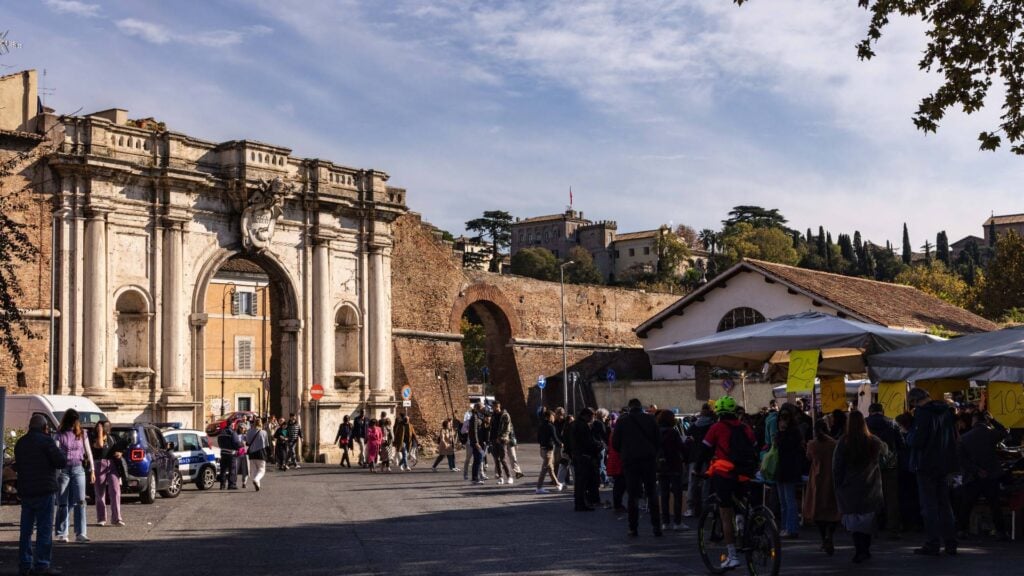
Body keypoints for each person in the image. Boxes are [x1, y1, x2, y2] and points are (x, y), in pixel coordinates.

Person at [702, 396, 757, 569]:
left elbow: (704, 450)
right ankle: (741, 524)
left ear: (718, 412)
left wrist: (699, 470)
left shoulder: (716, 427)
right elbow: (755, 444)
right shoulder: (745, 427)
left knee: (725, 515)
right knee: (741, 503)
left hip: (724, 474)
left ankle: (732, 556)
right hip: (745, 472)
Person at [907, 387, 960, 556]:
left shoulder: (923, 414)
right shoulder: (945, 412)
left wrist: (908, 435)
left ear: (915, 401)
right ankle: (951, 542)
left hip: (926, 464)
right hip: (943, 464)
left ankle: (933, 542)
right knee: (945, 504)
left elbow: (917, 440)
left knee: (929, 506)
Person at [15, 414, 67, 576]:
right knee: (44, 529)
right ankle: (42, 564)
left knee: (26, 530)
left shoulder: (21, 443)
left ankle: (25, 564)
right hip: (45, 489)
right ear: (45, 428)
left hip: (26, 490)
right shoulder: (47, 441)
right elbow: (61, 461)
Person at [834, 410, 887, 563]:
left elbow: (837, 466)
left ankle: (859, 550)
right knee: (867, 520)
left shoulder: (844, 442)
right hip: (870, 486)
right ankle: (866, 549)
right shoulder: (873, 441)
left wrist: (838, 484)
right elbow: (886, 453)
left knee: (854, 521)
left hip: (850, 487)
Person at [957, 411, 1009, 540]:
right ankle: (1000, 531)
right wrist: (993, 420)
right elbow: (1005, 432)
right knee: (995, 505)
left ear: (974, 420)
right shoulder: (991, 433)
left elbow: (962, 459)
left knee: (967, 504)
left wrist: (976, 470)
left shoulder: (964, 438)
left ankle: (961, 530)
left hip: (973, 476)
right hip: (991, 475)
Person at [614, 398, 663, 537]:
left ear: (629, 407)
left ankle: (633, 527)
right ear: (641, 406)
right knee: (651, 493)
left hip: (630, 461)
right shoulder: (650, 419)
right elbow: (658, 440)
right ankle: (656, 527)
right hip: (648, 460)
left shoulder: (622, 421)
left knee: (633, 495)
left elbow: (615, 443)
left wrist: (625, 451)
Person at [866, 402, 905, 538]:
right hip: (890, 464)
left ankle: (872, 527)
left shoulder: (865, 423)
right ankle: (893, 528)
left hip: (870, 465)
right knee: (891, 497)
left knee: (871, 496)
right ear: (882, 411)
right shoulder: (892, 423)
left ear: (870, 411)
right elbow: (901, 444)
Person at [54, 409, 94, 543]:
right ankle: (62, 533)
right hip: (63, 470)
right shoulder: (59, 434)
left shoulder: (82, 434)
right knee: (62, 503)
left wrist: (92, 469)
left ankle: (81, 533)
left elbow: (88, 452)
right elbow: (56, 452)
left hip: (78, 468)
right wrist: (56, 472)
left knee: (80, 501)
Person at [804, 419, 840, 556]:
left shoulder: (812, 444)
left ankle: (823, 537)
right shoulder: (834, 444)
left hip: (817, 478)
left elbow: (808, 457)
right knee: (833, 509)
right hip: (831, 477)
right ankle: (830, 534)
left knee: (817, 509)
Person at [775, 408, 806, 538]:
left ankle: (791, 528)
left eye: (786, 417)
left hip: (789, 469)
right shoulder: (782, 432)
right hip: (782, 469)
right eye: (781, 417)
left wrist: (782, 432)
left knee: (789, 501)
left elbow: (784, 447)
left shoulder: (793, 433)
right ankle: (785, 527)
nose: (783, 420)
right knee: (783, 501)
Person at [656, 410, 689, 531]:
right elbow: (681, 448)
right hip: (674, 465)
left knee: (664, 494)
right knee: (677, 494)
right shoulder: (673, 432)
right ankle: (677, 522)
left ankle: (665, 522)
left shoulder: (656, 432)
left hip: (661, 466)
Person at [91, 421, 125, 527]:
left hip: (112, 464)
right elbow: (100, 445)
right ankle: (101, 518)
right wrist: (100, 432)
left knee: (115, 491)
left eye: (107, 426)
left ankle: (116, 518)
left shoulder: (112, 438)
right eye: (102, 426)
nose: (105, 428)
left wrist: (120, 453)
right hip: (99, 463)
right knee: (100, 493)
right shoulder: (94, 438)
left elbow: (120, 449)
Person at [570, 408, 602, 511]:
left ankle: (580, 503)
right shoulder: (583, 426)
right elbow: (588, 442)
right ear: (587, 415)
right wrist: (599, 445)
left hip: (577, 455)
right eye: (592, 416)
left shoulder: (575, 424)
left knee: (580, 482)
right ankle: (581, 504)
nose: (593, 418)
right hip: (584, 456)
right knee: (582, 482)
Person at [535, 409, 563, 493]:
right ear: (549, 417)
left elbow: (538, 438)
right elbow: (555, 438)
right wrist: (560, 444)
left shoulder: (541, 425)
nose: (554, 418)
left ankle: (557, 484)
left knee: (550, 468)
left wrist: (542, 443)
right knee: (544, 469)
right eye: (553, 416)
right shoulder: (551, 426)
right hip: (548, 450)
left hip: (542, 449)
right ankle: (539, 487)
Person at [490, 402, 513, 484]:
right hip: (494, 439)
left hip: (502, 440)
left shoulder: (505, 415)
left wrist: (501, 437)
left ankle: (509, 477)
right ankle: (501, 477)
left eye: (494, 407)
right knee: (496, 459)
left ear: (498, 406)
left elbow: (507, 428)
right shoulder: (493, 415)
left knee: (503, 459)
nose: (493, 408)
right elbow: (492, 427)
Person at [246, 419, 270, 491]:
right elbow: (266, 444)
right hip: (261, 452)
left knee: (254, 470)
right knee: (262, 470)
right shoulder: (264, 432)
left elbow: (247, 442)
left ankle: (257, 484)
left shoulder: (249, 432)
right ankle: (256, 480)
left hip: (251, 453)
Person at [217, 421, 242, 490]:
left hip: (223, 453)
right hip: (231, 453)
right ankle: (231, 484)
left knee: (223, 469)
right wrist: (241, 445)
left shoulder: (221, 432)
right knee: (232, 469)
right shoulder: (232, 432)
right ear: (231, 424)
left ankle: (222, 485)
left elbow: (219, 442)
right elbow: (236, 443)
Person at [468, 403, 485, 485]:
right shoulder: (475, 417)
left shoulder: (479, 416)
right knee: (478, 459)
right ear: (479, 408)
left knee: (478, 459)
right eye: (482, 407)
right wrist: (476, 442)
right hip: (476, 442)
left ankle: (475, 478)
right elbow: (474, 431)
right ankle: (475, 478)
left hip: (479, 441)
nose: (484, 408)